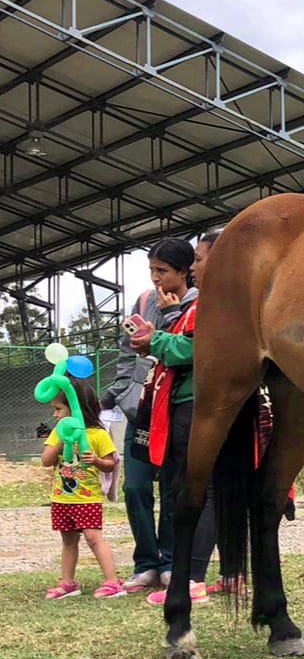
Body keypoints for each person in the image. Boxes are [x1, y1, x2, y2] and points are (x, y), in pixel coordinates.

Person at [108, 237, 196, 591]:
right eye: (151, 270)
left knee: (175, 487)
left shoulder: (198, 304)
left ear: (184, 271)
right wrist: (119, 393)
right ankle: (146, 562)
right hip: (140, 409)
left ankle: (171, 560)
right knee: (136, 486)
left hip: (176, 408)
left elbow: (190, 350)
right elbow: (127, 352)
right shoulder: (144, 301)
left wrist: (167, 326)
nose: (156, 278)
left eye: (162, 271)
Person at [141, 232, 223, 607]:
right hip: (196, 404)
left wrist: (156, 341)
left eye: (199, 261)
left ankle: (191, 579)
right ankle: (232, 573)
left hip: (200, 405)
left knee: (202, 491)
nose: (194, 268)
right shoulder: (190, 305)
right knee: (214, 491)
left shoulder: (212, 305)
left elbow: (194, 349)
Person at [41, 379, 125, 599]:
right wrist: (61, 439)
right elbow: (46, 460)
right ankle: (67, 583)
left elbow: (111, 463)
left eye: (59, 409)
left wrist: (96, 460)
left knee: (93, 537)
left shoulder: (98, 435)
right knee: (68, 541)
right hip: (62, 499)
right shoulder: (58, 432)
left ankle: (112, 582)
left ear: (77, 408)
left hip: (87, 499)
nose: (55, 415)